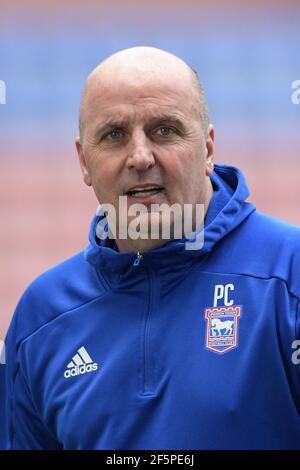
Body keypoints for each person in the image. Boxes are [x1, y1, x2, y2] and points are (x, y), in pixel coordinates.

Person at [1, 46, 300, 450]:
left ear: (208, 149)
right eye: (114, 135)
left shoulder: (289, 274)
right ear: (84, 161)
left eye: (164, 130)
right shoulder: (42, 315)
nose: (140, 157)